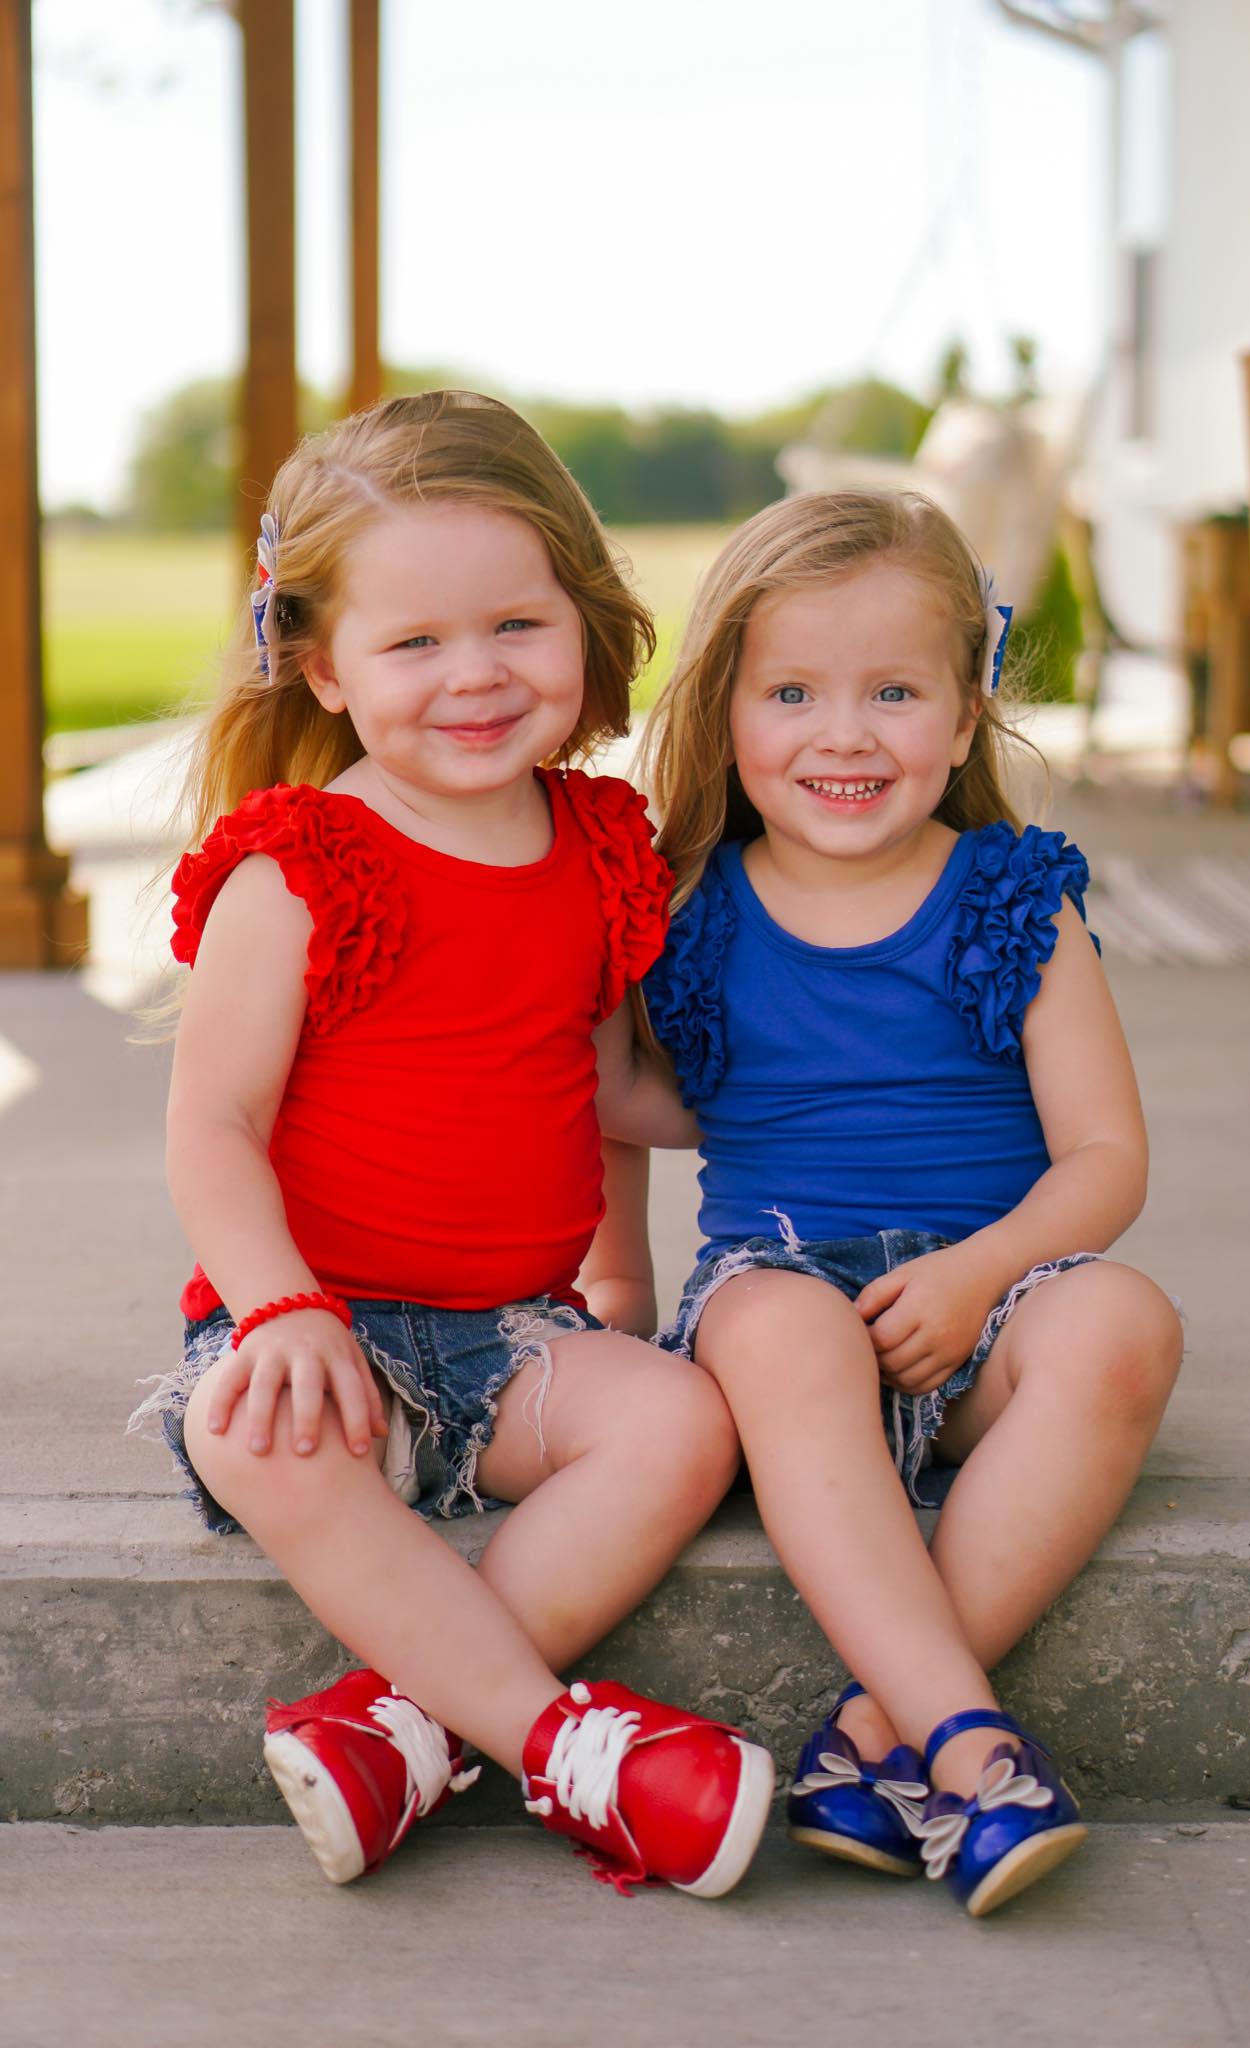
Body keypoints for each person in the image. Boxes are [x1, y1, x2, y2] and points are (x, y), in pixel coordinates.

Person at [129, 390, 775, 1897]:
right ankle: (569, 1750)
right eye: (414, 644)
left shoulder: (597, 844)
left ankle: (400, 1733)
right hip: (318, 1331)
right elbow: (212, 1124)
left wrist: (634, 1277)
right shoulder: (302, 866)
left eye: (514, 627)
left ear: (585, 623)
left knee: (685, 1420)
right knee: (243, 1424)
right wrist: (280, 1307)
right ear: (321, 664)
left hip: (504, 1343)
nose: (473, 677)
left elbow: (603, 1091)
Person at [624, 488, 1184, 1916]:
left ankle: (882, 1738)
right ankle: (968, 1742)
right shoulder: (690, 907)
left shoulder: (1011, 897)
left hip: (990, 1301)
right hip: (787, 1294)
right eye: (793, 691)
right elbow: (624, 1107)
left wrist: (976, 1273)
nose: (844, 733)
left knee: (1122, 1323)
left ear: (965, 704)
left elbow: (1104, 1160)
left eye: (893, 690)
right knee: (773, 1327)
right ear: (727, 708)